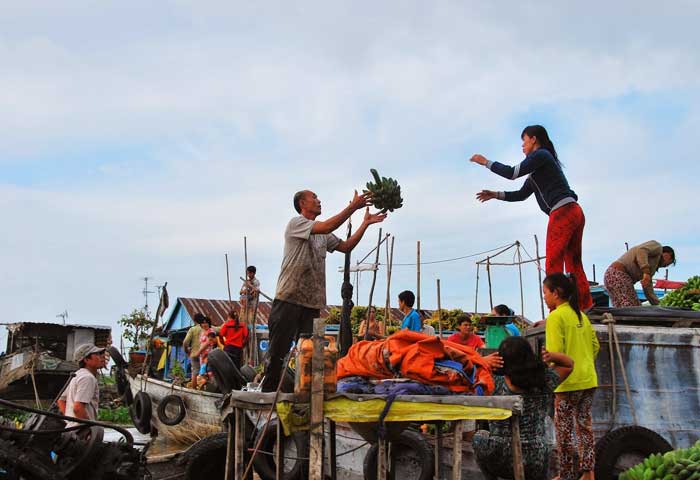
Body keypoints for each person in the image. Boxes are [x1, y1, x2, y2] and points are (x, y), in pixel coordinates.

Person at [260, 189, 386, 392]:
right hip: (289, 299)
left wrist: (365, 223)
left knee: (310, 354)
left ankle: (306, 398)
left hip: (312, 303)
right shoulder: (296, 223)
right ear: (302, 203)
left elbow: (346, 246)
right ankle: (267, 400)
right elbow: (328, 224)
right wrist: (353, 207)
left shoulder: (323, 236)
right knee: (278, 354)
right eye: (314, 198)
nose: (319, 201)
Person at [470, 125, 593, 311]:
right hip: (574, 211)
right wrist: (495, 194)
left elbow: (512, 173)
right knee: (574, 261)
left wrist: (485, 162)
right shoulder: (538, 171)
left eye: (524, 141)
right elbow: (520, 194)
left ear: (534, 139)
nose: (523, 146)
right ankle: (585, 306)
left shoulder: (541, 155)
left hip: (562, 213)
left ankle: (557, 310)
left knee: (553, 263)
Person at [473, 336, 573, 480]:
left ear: (501, 360)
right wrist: (551, 356)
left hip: (500, 458)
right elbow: (568, 364)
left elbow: (467, 371)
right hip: (536, 458)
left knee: (479, 436)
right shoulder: (544, 380)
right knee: (543, 445)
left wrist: (483, 362)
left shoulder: (493, 382)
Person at [544, 272, 599, 480]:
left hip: (567, 384)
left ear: (556, 293)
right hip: (589, 379)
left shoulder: (556, 317)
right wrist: (584, 362)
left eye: (546, 292)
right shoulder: (581, 315)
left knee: (564, 432)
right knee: (585, 428)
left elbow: (554, 354)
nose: (545, 297)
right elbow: (595, 346)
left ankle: (565, 475)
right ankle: (588, 473)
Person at [604, 241, 676, 307]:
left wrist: (660, 305)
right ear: (668, 254)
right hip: (617, 274)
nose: (667, 265)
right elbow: (641, 250)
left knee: (633, 306)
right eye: (670, 261)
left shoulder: (652, 268)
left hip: (614, 276)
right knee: (631, 308)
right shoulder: (657, 247)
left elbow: (648, 289)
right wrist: (646, 271)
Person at [58, 344, 106, 426]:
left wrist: (70, 421)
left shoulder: (77, 375)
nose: (102, 357)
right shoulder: (88, 378)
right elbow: (78, 408)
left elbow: (61, 400)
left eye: (101, 354)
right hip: (80, 432)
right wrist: (89, 428)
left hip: (71, 430)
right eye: (97, 354)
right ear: (86, 360)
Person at [183, 312, 206, 387]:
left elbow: (185, 342)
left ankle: (194, 389)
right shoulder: (207, 327)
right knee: (205, 372)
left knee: (195, 372)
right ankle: (203, 389)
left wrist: (187, 351)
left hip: (194, 354)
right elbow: (219, 329)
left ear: (195, 320)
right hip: (204, 354)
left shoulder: (192, 329)